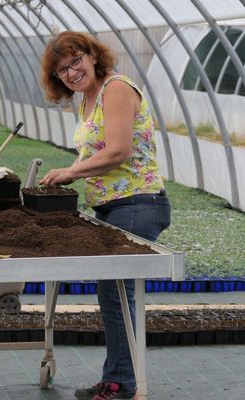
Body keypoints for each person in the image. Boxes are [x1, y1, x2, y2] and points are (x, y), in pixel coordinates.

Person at [38, 31, 171, 400]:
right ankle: (116, 377)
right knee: (111, 290)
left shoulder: (116, 89)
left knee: (114, 289)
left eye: (75, 60)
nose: (72, 72)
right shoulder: (85, 99)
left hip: (139, 204)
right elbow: (91, 153)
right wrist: (65, 171)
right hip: (111, 206)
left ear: (93, 55)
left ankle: (121, 384)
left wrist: (71, 174)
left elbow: (117, 151)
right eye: (62, 69)